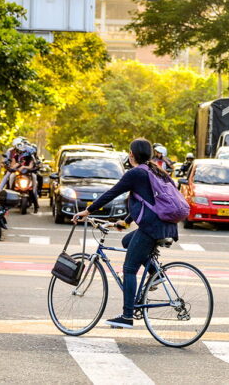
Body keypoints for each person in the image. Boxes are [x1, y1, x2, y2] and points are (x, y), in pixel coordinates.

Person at [73, 138, 178, 329]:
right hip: (165, 225)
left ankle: (127, 315)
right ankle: (155, 273)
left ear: (131, 155)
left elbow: (111, 193)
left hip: (152, 227)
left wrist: (87, 211)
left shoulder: (136, 173)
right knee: (127, 241)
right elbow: (147, 201)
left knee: (129, 269)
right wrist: (126, 221)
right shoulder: (154, 170)